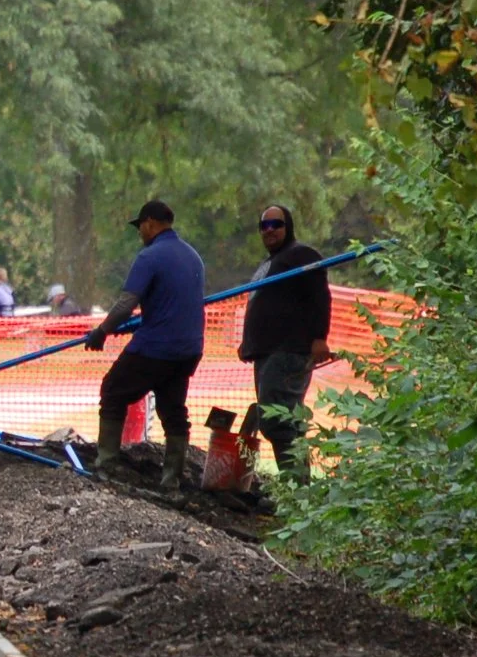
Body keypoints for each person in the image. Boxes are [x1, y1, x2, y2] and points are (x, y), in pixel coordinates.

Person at [84, 199, 207, 492]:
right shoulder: (193, 257)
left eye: (140, 227)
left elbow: (127, 303)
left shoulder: (149, 257)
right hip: (189, 349)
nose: (140, 233)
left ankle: (107, 464)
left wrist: (102, 331)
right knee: (173, 409)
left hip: (157, 345)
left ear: (150, 223)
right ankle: (171, 478)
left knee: (113, 390)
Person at [237, 202, 333, 483]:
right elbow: (260, 304)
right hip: (267, 353)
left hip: (289, 351)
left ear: (287, 227)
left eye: (276, 225)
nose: (269, 231)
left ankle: (299, 491)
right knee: (275, 419)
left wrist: (319, 338)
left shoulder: (301, 255)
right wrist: (249, 342)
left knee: (280, 420)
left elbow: (320, 297)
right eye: (264, 226)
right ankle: (297, 492)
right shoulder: (271, 262)